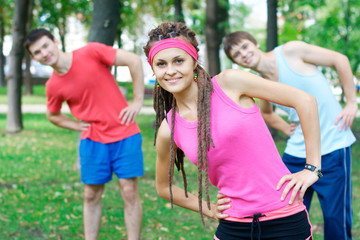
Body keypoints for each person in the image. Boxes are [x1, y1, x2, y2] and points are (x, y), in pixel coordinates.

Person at [144, 22, 322, 240]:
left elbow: (305, 101)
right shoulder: (168, 128)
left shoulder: (230, 83)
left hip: (285, 220)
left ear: (193, 61)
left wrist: (312, 168)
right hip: (233, 226)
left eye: (178, 61)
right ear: (153, 69)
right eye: (161, 64)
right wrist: (207, 208)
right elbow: (164, 187)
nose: (170, 71)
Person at [223, 31, 357, 240]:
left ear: (255, 43)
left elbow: (340, 60)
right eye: (237, 55)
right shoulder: (260, 83)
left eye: (245, 47)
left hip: (333, 146)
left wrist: (351, 101)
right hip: (295, 155)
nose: (244, 54)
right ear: (237, 62)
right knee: (285, 215)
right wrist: (286, 128)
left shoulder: (291, 51)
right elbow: (267, 113)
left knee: (335, 220)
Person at [24, 28, 144, 240]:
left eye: (45, 45)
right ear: (34, 58)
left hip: (125, 133)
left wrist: (137, 101)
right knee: (91, 195)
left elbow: (134, 60)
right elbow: (53, 115)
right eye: (37, 52)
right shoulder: (53, 86)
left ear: (54, 41)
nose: (44, 53)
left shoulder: (91, 51)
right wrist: (76, 125)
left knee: (129, 191)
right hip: (92, 141)